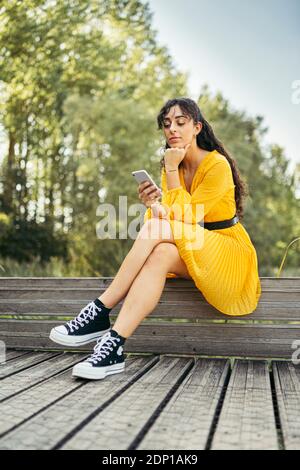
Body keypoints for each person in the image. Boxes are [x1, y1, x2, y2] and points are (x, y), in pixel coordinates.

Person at [49, 97, 262, 380]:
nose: (172, 129)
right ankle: (113, 346)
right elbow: (169, 220)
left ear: (197, 127)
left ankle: (99, 309)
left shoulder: (216, 165)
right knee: (160, 253)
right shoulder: (170, 164)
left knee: (156, 234)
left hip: (228, 253)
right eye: (166, 124)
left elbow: (186, 217)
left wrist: (172, 171)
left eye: (180, 122)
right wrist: (153, 206)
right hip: (197, 246)